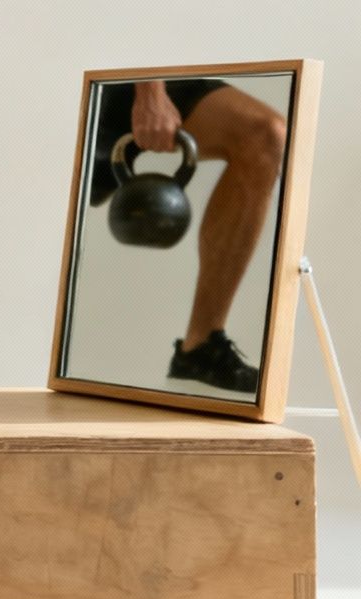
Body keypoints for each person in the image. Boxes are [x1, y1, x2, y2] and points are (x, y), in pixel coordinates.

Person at [87, 78, 289, 392]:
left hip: (164, 68)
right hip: (115, 68)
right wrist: (150, 91)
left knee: (263, 134)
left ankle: (201, 348)